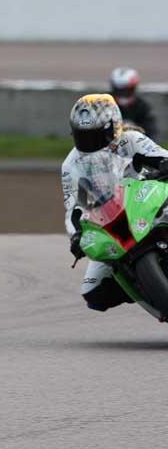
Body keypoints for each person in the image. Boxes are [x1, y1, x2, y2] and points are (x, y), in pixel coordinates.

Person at [62, 93, 168, 312]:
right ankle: (146, 287)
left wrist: (164, 167)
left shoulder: (131, 140)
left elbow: (161, 156)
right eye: (83, 136)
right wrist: (75, 235)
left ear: (114, 127)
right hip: (113, 220)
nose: (89, 143)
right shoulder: (72, 165)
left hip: (148, 198)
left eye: (95, 136)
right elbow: (74, 207)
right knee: (94, 293)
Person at [109, 67, 158, 140]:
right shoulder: (106, 104)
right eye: (119, 91)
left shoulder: (142, 106)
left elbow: (152, 132)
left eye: (126, 91)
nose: (123, 94)